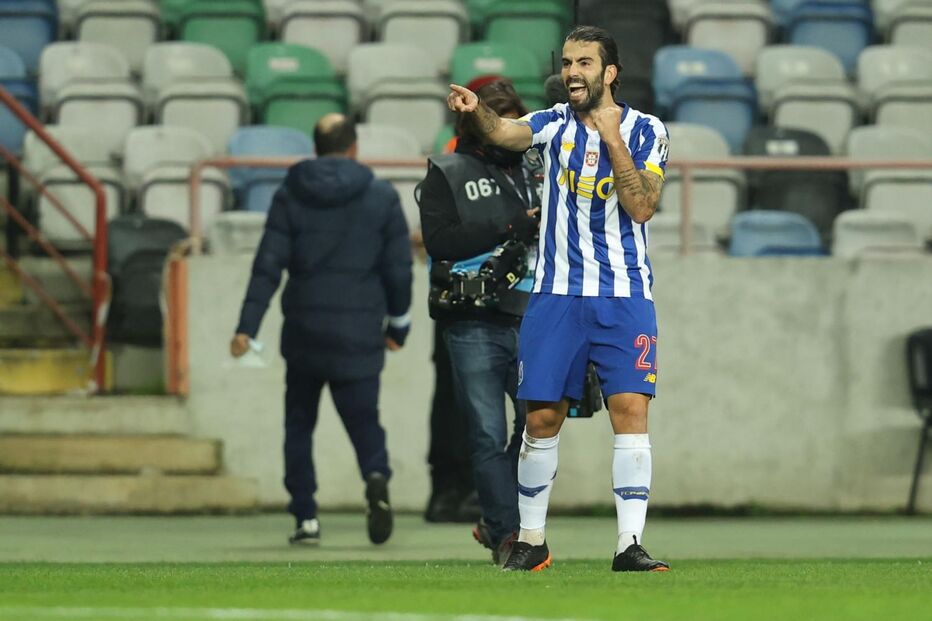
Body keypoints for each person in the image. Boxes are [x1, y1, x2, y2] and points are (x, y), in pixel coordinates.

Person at [446, 25, 671, 572]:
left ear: (609, 73)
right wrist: (477, 111)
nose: (572, 72)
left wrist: (612, 138)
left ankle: (629, 544)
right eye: (567, 62)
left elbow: (642, 207)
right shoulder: (551, 123)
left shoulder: (647, 130)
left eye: (584, 63)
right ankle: (532, 540)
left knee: (630, 412)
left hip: (624, 294)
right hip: (556, 295)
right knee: (541, 419)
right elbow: (505, 132)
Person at [230, 113, 413, 547]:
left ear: (315, 149)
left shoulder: (290, 193)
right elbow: (398, 270)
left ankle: (306, 517)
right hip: (360, 331)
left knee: (299, 425)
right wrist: (399, 325)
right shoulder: (381, 196)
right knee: (364, 421)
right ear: (353, 148)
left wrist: (246, 327)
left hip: (305, 330)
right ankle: (375, 475)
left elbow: (267, 265)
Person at [419, 79, 543, 566]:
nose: (504, 131)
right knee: (488, 432)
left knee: (538, 425)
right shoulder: (446, 171)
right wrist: (509, 226)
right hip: (471, 319)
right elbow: (440, 241)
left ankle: (497, 519)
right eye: (495, 121)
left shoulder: (537, 169)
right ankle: (509, 535)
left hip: (534, 314)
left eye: (512, 122)